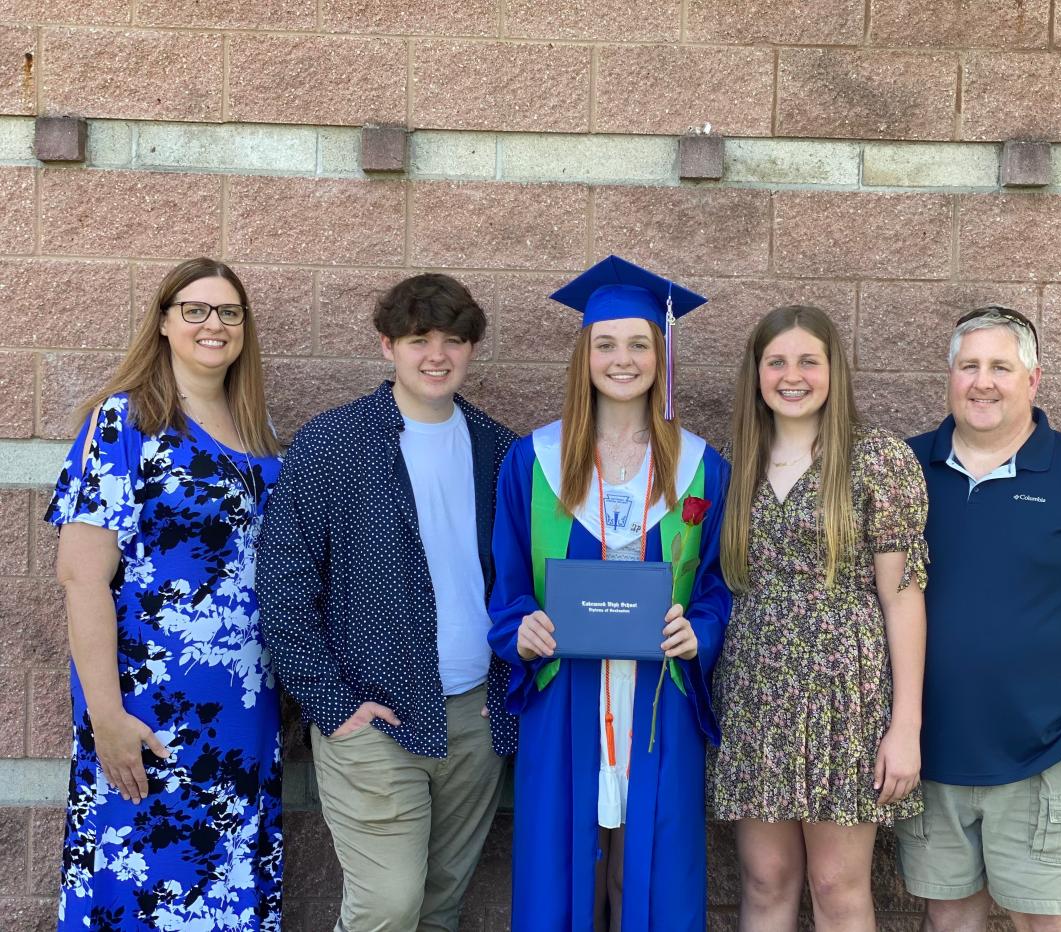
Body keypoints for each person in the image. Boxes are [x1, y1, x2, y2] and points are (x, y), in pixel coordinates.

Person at [256, 273, 518, 932]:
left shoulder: (500, 450)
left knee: (440, 904)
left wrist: (507, 685)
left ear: (472, 349)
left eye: (454, 340)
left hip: (474, 717)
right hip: (374, 718)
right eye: (418, 339)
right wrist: (332, 704)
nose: (437, 355)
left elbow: (524, 579)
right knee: (387, 905)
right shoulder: (336, 444)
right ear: (387, 346)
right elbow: (284, 580)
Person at [897, 306, 1061, 930]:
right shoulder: (904, 473)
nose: (983, 382)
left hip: (1052, 756)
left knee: (1042, 923)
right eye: (969, 366)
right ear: (950, 377)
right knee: (948, 919)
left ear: (1032, 381)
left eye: (1000, 366)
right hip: (930, 756)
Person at [487, 255, 731, 932]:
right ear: (584, 354)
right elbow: (507, 590)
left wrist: (700, 632)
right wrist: (520, 631)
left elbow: (717, 586)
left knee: (647, 873)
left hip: (660, 700)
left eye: (639, 344)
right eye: (606, 344)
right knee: (568, 870)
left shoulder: (700, 466)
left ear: (662, 353)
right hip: (565, 694)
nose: (622, 359)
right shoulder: (532, 463)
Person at [46, 258, 283, 930]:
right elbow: (81, 575)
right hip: (149, 715)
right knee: (145, 886)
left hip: (242, 717)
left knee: (225, 890)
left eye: (229, 312)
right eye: (196, 309)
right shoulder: (125, 424)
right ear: (164, 322)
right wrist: (107, 718)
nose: (214, 324)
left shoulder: (255, 433)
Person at [707, 305, 928, 931]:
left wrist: (905, 725)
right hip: (756, 697)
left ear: (835, 371)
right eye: (777, 362)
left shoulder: (876, 460)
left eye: (809, 360)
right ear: (756, 374)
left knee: (837, 884)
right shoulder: (733, 463)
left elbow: (904, 595)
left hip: (845, 699)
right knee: (765, 879)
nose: (792, 375)